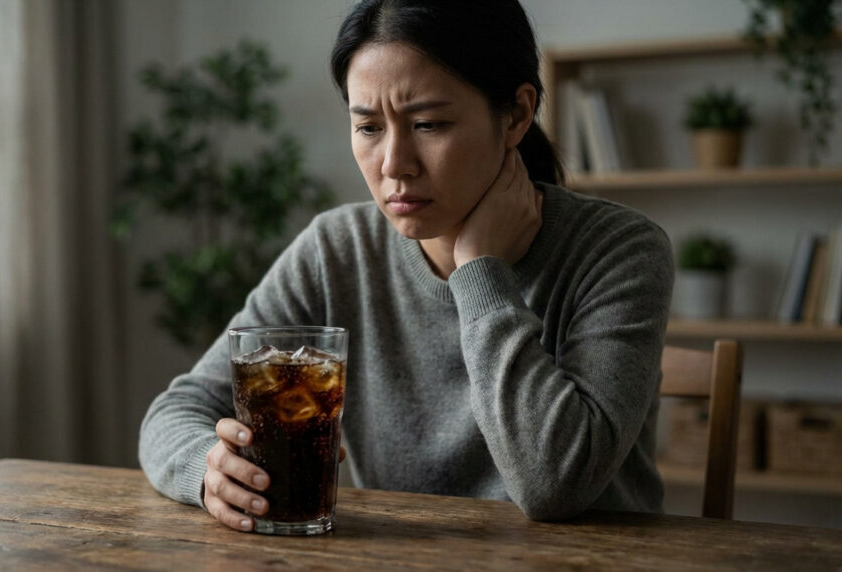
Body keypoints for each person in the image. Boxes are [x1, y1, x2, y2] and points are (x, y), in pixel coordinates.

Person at [139, 0, 673, 531]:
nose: (394, 165)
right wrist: (207, 470)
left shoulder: (619, 250)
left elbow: (554, 484)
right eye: (369, 128)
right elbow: (177, 410)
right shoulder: (336, 249)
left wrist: (481, 271)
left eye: (428, 124)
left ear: (516, 114)